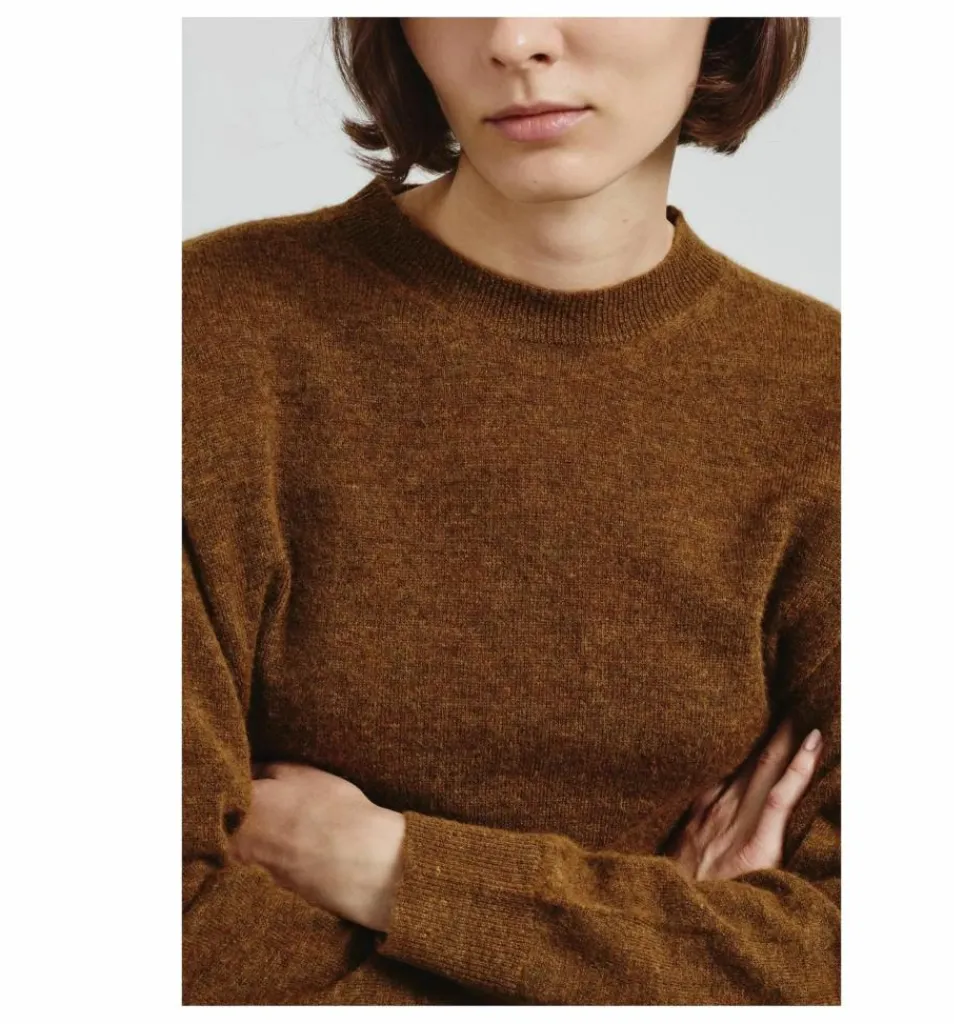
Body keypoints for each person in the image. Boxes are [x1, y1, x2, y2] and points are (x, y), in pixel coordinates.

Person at [182, 16, 839, 1005]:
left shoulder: (835, 404)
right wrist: (661, 952)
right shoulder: (198, 339)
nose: (515, 38)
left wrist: (393, 869)